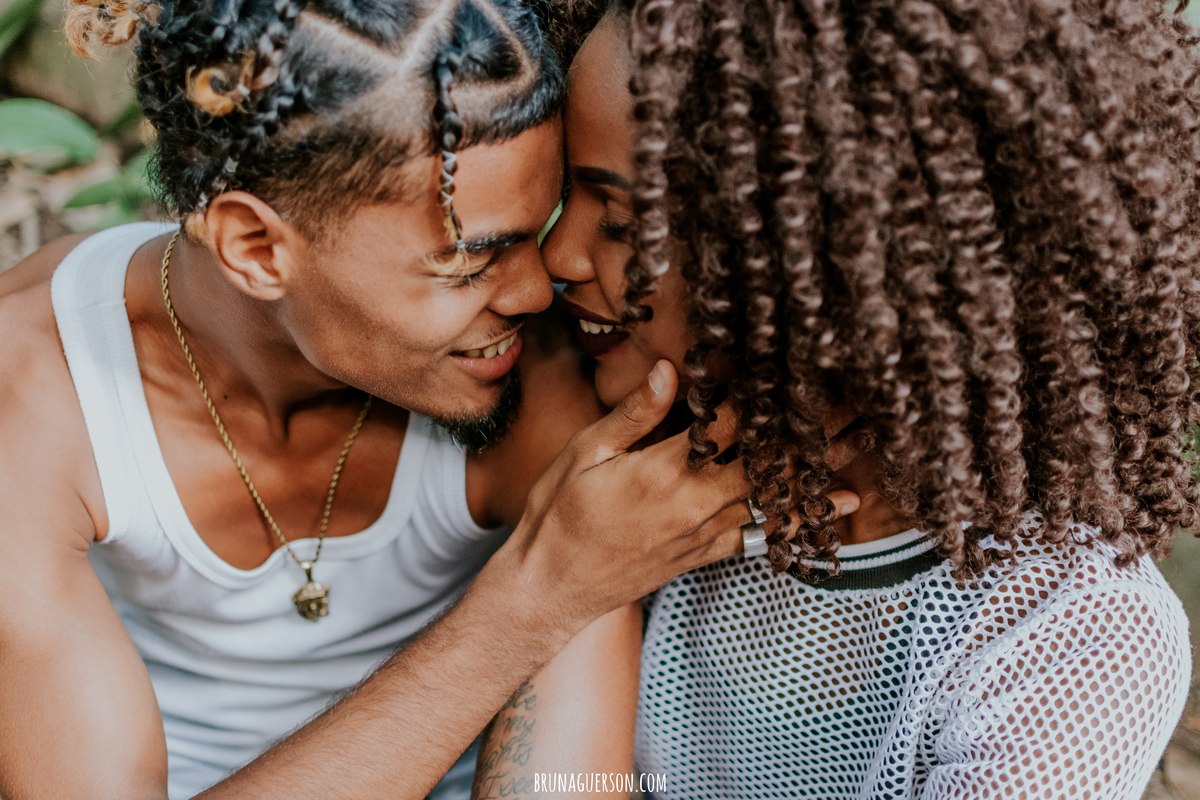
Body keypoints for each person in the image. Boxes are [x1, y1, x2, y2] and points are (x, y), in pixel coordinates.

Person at [0, 1, 869, 798]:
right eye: (469, 262)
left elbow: (570, 792)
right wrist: (537, 595)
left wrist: (566, 588)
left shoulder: (549, 376)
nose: (539, 292)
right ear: (257, 248)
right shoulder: (36, 399)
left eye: (542, 227)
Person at [472, 1, 1200, 798]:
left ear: (846, 277)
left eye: (618, 219)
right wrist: (569, 578)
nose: (557, 256)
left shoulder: (1072, 640)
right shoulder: (626, 471)